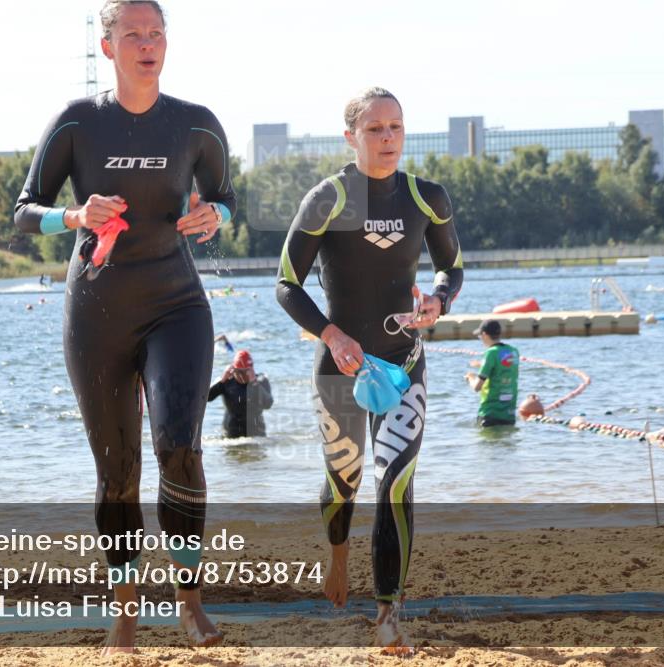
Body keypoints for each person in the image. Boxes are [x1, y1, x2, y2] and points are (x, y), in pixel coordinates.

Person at [13, 0, 235, 653]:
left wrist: (214, 214)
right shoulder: (78, 122)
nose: (147, 44)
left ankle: (190, 602)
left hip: (176, 302)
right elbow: (26, 212)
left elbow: (223, 197)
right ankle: (125, 609)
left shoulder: (197, 125)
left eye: (157, 33)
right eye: (132, 34)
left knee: (180, 446)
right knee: (117, 472)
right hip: (98, 309)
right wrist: (75, 216)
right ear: (107, 46)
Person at [275, 87, 463, 654]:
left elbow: (451, 268)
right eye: (375, 129)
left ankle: (388, 612)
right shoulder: (329, 199)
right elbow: (286, 284)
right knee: (345, 478)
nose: (387, 139)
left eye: (396, 128)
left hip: (404, 363)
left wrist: (437, 301)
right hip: (340, 368)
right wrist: (331, 334)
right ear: (351, 136)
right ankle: (337, 556)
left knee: (397, 483)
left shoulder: (427, 197)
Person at [464, 319, 520, 427]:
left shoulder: (490, 353)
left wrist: (470, 378)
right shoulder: (513, 351)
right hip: (509, 415)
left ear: (484, 335)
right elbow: (503, 369)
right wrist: (481, 365)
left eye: (480, 336)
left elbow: (477, 387)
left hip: (490, 414)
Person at [207, 350, 273, 438]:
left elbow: (268, 404)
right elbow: (206, 398)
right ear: (233, 369)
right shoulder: (226, 382)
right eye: (238, 372)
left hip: (256, 436)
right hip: (231, 436)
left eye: (245, 372)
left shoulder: (261, 381)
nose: (241, 376)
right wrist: (221, 381)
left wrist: (254, 383)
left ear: (251, 369)